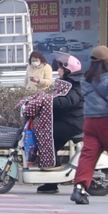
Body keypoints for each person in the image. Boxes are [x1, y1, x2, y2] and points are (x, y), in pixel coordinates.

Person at [70, 46, 108, 205]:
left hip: (90, 123)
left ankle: (79, 188)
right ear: (106, 61)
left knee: (87, 156)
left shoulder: (86, 80)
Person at [36, 55, 84, 194]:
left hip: (74, 123)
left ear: (69, 69)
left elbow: (68, 101)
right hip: (68, 120)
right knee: (48, 138)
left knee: (48, 136)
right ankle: (51, 179)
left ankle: (52, 181)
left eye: (62, 68)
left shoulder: (76, 84)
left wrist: (49, 101)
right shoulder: (67, 83)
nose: (59, 70)